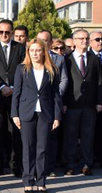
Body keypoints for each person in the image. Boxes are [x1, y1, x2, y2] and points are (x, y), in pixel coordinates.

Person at [11, 39, 62, 192]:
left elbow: (56, 95)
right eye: (32, 50)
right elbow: (16, 94)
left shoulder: (52, 69)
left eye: (38, 50)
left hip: (45, 114)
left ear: (43, 51)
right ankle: (28, 181)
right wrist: (15, 114)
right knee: (27, 148)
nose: (35, 53)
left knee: (42, 149)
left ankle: (41, 182)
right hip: (26, 113)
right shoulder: (22, 69)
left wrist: (57, 116)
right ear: (28, 52)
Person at [0, 19, 26, 177]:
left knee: (16, 131)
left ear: (12, 32)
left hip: (16, 95)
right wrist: (2, 86)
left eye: (7, 32)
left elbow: (24, 67)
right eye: (1, 32)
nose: (4, 35)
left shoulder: (20, 47)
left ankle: (15, 165)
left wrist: (14, 88)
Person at [63, 30, 102, 176]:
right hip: (72, 103)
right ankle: (71, 164)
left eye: (86, 38)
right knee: (71, 136)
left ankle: (86, 164)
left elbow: (99, 81)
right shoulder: (67, 59)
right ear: (74, 41)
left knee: (88, 135)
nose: (84, 41)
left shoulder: (94, 59)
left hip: (90, 105)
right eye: (81, 38)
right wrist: (64, 103)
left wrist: (99, 101)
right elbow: (65, 82)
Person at [37, 30, 69, 176]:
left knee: (52, 136)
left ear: (51, 43)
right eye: (40, 40)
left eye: (46, 40)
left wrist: (55, 95)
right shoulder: (31, 58)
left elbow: (64, 80)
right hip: (35, 103)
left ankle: (49, 168)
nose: (43, 43)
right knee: (36, 137)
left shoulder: (59, 59)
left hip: (53, 102)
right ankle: (35, 168)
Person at [88, 30, 102, 167]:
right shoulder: (88, 57)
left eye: (101, 39)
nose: (100, 42)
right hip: (91, 102)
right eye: (97, 39)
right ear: (90, 42)